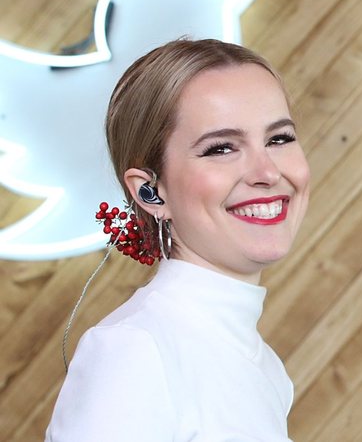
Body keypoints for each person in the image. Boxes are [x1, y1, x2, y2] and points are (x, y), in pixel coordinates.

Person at [45, 38, 310, 441]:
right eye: (221, 148)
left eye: (279, 139)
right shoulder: (134, 351)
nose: (267, 171)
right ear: (151, 192)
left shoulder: (264, 366)